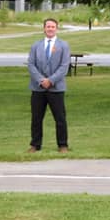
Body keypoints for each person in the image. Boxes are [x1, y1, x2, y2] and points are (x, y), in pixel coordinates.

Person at [26, 17, 70, 153]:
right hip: (38, 88)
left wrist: (50, 80)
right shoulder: (36, 45)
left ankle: (62, 145)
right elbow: (31, 64)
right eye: (48, 26)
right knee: (36, 118)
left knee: (60, 118)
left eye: (53, 27)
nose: (50, 29)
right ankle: (35, 145)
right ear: (44, 28)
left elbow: (64, 66)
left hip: (56, 88)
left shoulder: (63, 45)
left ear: (56, 28)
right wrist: (41, 80)